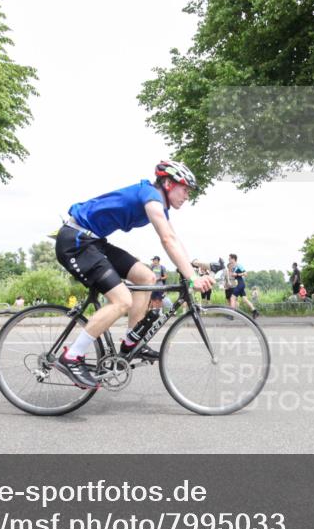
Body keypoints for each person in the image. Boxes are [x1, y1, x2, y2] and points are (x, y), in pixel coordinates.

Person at [53, 160, 214, 389]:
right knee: (122, 300)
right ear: (168, 183)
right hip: (76, 242)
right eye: (185, 189)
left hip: (94, 242)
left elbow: (174, 239)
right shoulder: (150, 195)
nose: (187, 195)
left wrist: (191, 266)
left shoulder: (159, 204)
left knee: (147, 277)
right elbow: (166, 239)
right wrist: (192, 278)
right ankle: (72, 356)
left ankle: (131, 341)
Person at [227, 253, 260, 319]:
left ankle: (232, 315)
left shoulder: (238, 265)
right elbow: (232, 275)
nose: (228, 259)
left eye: (229, 258)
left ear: (233, 259)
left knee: (232, 298)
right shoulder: (233, 267)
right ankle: (255, 311)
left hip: (240, 284)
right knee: (245, 300)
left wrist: (237, 274)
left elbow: (245, 273)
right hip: (239, 284)